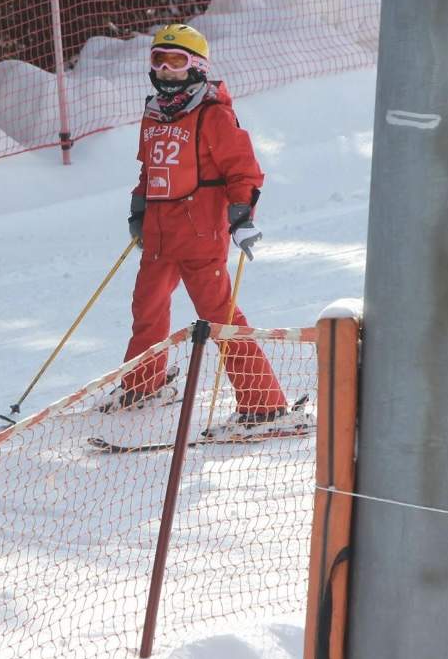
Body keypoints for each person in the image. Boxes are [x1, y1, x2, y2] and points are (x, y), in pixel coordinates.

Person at [99, 24, 307, 440]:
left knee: (220, 317)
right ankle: (145, 383)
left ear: (196, 66)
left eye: (176, 61)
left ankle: (263, 404)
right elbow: (149, 169)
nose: (166, 69)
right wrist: (139, 209)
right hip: (160, 234)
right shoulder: (154, 113)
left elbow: (241, 168)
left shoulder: (213, 113)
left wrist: (242, 217)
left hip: (199, 231)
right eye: (158, 60)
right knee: (147, 309)